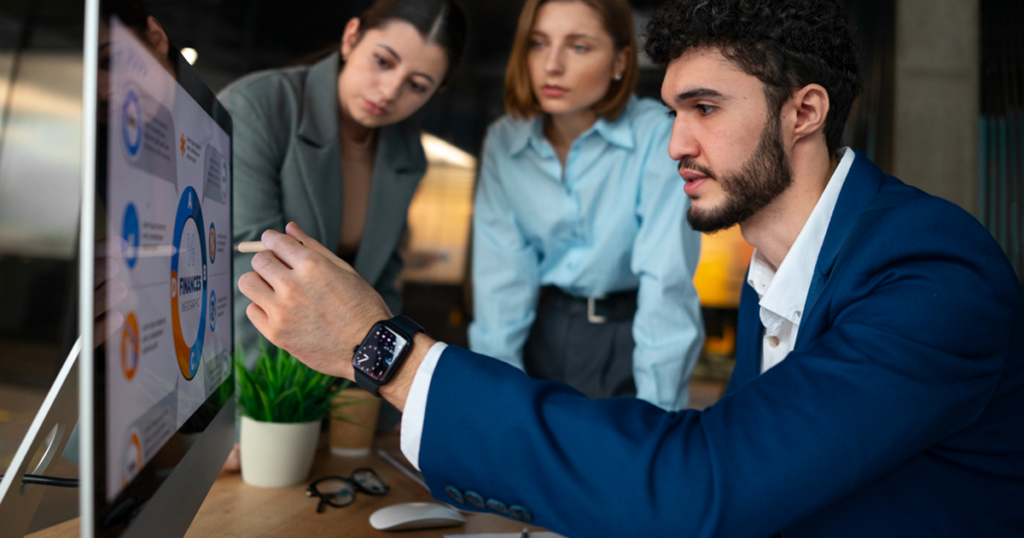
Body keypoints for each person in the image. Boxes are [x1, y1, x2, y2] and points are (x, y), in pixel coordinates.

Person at [237, 0, 1024, 536]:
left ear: (805, 112)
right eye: (674, 110)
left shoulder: (930, 274)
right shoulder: (779, 270)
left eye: (705, 109)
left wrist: (385, 352)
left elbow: (702, 486)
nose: (675, 143)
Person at [469, 0, 703, 410]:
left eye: (579, 47)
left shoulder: (658, 138)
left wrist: (657, 416)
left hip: (629, 335)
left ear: (620, 61)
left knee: (626, 446)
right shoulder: (505, 141)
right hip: (539, 330)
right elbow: (500, 285)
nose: (552, 65)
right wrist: (497, 405)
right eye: (539, 43)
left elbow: (666, 286)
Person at [219, 0, 467, 367]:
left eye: (417, 85)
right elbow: (250, 275)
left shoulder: (407, 153)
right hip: (249, 368)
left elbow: (382, 288)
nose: (389, 91)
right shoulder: (258, 107)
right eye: (382, 61)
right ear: (351, 38)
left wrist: (378, 384)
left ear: (436, 92)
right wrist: (270, 401)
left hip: (340, 372)